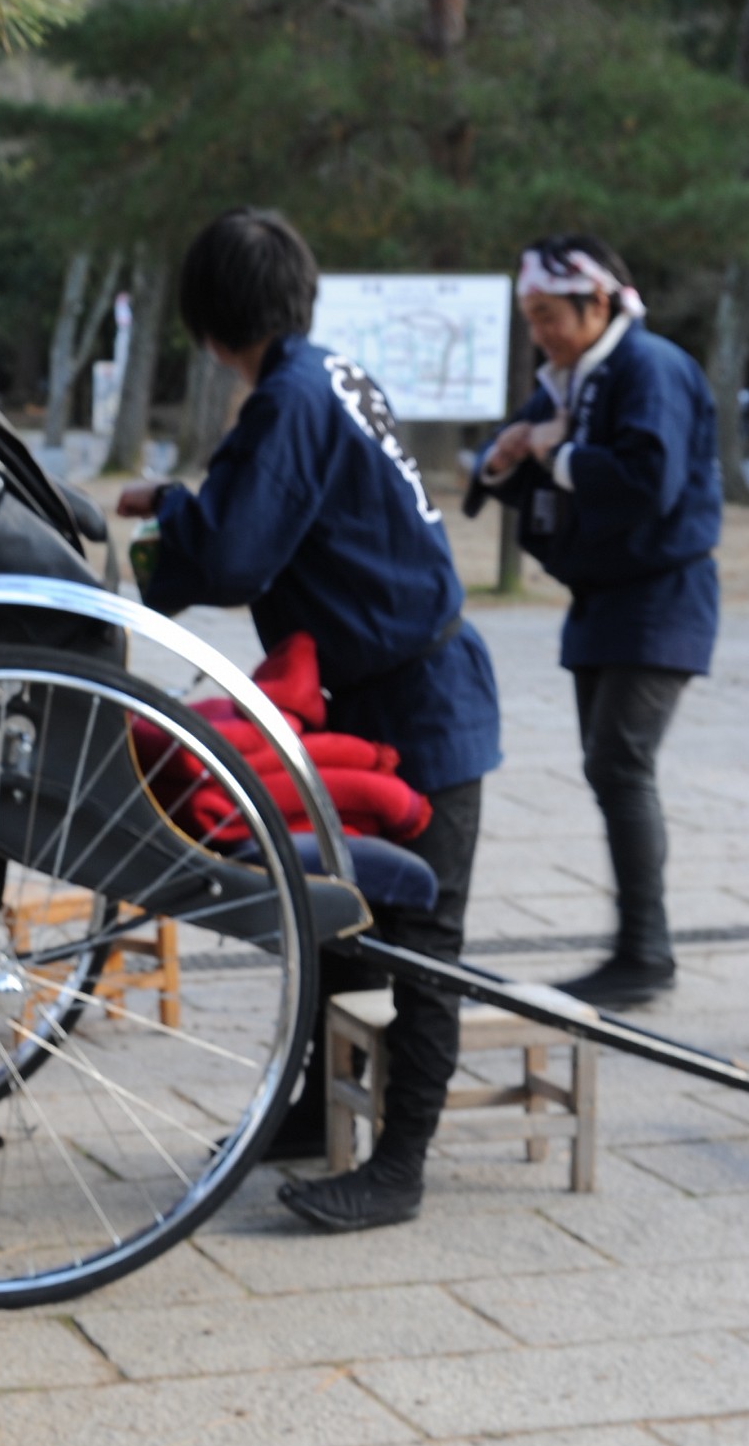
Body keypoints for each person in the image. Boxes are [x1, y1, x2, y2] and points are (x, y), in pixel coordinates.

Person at [118, 206, 500, 1234]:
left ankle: (402, 1164)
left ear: (207, 323)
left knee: (424, 941)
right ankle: (306, 1112)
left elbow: (237, 551)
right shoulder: (319, 374)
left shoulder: (288, 398)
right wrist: (174, 502)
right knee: (335, 917)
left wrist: (167, 532)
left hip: (426, 700)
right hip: (387, 691)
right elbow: (250, 503)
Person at [468, 235, 720, 1006]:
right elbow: (510, 457)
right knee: (607, 766)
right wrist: (507, 457)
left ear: (598, 301)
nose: (540, 333)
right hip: (602, 600)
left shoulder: (650, 368)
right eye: (531, 319)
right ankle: (641, 945)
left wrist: (558, 450)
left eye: (549, 316)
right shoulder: (570, 377)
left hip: (661, 594)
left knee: (620, 763)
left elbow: (650, 478)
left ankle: (646, 951)